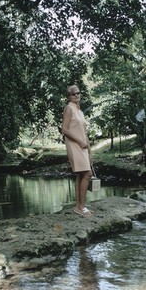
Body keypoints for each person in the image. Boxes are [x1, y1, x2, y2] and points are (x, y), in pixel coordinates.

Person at [61, 85, 93, 217]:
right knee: (87, 174)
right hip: (74, 144)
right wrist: (79, 141)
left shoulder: (80, 111)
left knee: (81, 175)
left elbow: (84, 133)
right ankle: (81, 207)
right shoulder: (69, 108)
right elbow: (64, 129)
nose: (77, 95)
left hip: (83, 146)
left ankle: (79, 206)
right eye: (73, 94)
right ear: (68, 96)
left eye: (78, 93)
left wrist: (90, 152)